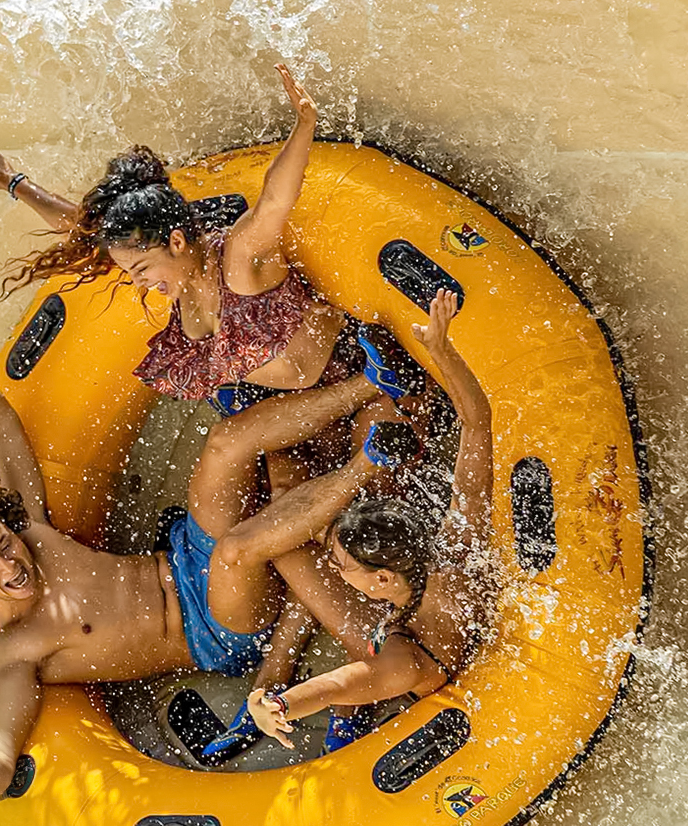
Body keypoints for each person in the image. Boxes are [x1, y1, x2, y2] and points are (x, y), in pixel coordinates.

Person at [0, 309, 424, 794]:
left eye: (3, 545)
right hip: (215, 628)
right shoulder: (20, 652)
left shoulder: (31, 530)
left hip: (184, 554)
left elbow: (0, 430)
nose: (9, 564)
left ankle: (373, 383)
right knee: (238, 553)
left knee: (226, 443)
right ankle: (367, 464)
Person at [0, 64, 354, 417]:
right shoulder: (180, 277)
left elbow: (274, 201)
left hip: (341, 375)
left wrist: (305, 124)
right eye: (131, 271)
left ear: (177, 242)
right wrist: (13, 182)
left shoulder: (239, 258)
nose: (138, 281)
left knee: (231, 448)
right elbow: (81, 229)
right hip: (275, 400)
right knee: (258, 460)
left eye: (140, 269)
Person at [200, 290, 500, 757]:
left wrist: (279, 705)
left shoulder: (405, 658)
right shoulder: (458, 544)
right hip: (410, 614)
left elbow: (340, 684)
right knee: (286, 534)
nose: (333, 568)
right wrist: (440, 350)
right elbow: (476, 422)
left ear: (381, 579)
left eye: (340, 565)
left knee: (283, 543)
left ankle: (341, 717)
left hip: (412, 656)